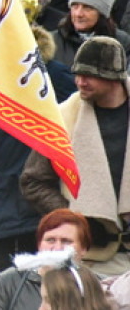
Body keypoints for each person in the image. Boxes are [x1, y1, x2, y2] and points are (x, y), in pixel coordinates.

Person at [21, 37, 130, 276]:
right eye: (77, 74)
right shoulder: (61, 119)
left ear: (114, 77)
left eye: (89, 75)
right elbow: (33, 181)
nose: (80, 82)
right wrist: (74, 219)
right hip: (86, 259)